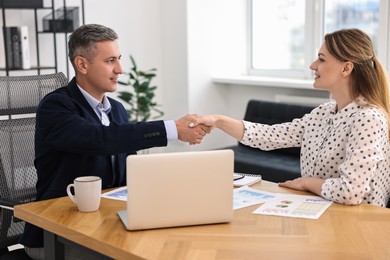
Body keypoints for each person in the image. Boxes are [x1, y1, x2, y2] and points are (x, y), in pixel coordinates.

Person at [20, 24, 209, 259]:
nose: (120, 69)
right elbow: (101, 140)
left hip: (104, 224)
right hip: (55, 233)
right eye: (110, 60)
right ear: (82, 64)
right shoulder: (55, 107)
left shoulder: (117, 110)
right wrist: (171, 129)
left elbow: (128, 171)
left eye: (118, 59)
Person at [194, 28, 390, 208]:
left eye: (321, 59)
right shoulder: (324, 113)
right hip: (321, 209)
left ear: (346, 69)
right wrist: (219, 121)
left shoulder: (368, 118)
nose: (313, 66)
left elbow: (351, 192)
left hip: (358, 223)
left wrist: (307, 182)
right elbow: (270, 135)